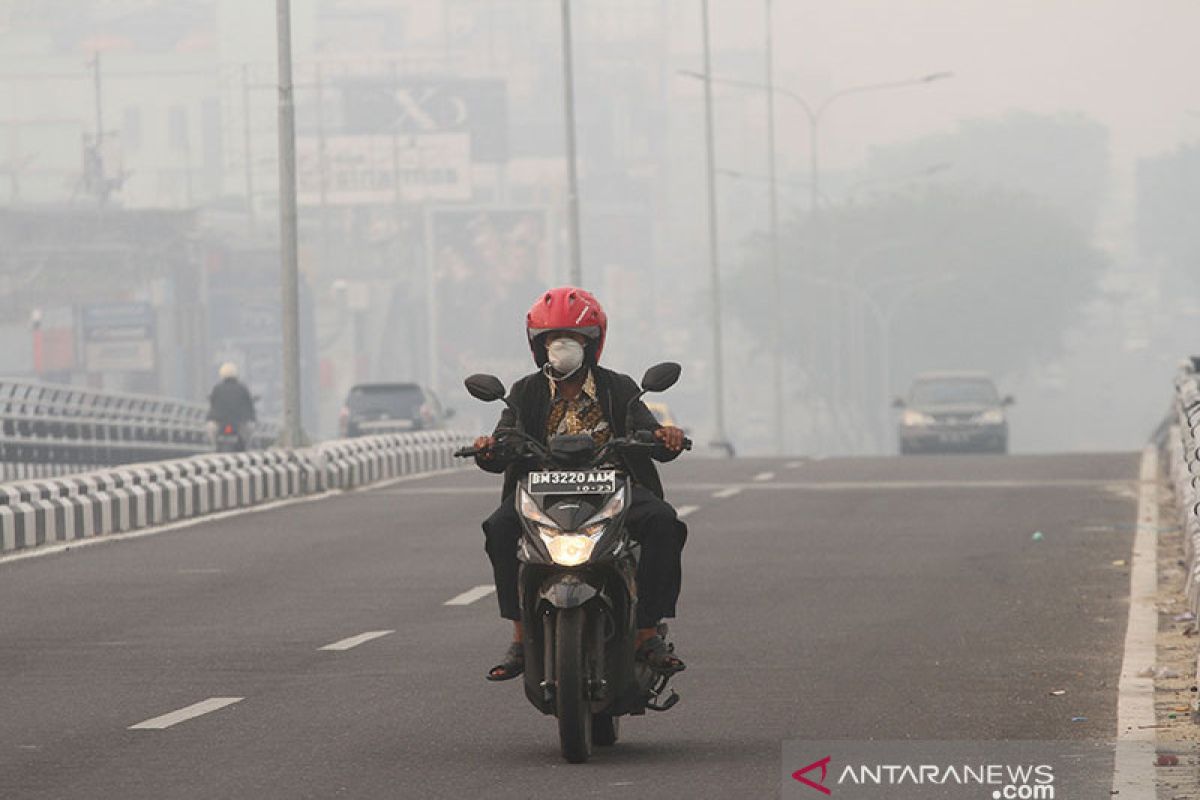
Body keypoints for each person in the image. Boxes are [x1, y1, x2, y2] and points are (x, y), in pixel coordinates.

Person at [472, 286, 689, 682]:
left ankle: (645, 633)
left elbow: (653, 438)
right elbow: (503, 442)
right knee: (499, 527)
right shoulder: (525, 392)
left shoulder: (619, 388)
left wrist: (666, 437)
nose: (562, 347)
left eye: (571, 339)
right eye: (553, 339)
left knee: (663, 521)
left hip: (613, 491)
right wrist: (489, 449)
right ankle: (520, 636)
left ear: (592, 344)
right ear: (539, 346)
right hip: (541, 494)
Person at [207, 362, 256, 450]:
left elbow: (212, 404)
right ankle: (247, 447)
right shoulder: (242, 388)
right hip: (239, 423)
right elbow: (249, 407)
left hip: (220, 423)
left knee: (211, 428)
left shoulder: (217, 388)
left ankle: (214, 447)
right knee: (250, 428)